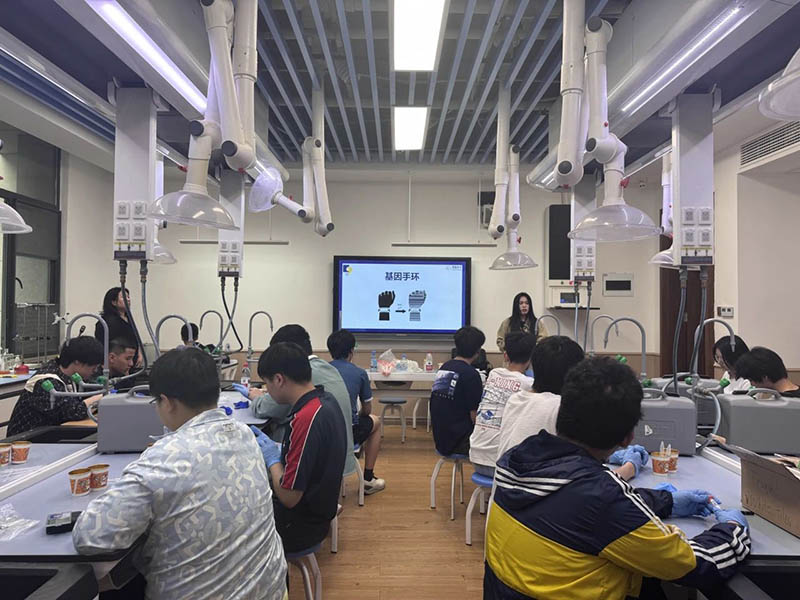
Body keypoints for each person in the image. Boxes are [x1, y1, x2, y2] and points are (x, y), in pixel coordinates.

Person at [484, 357, 750, 600]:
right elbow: (692, 565)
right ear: (628, 438)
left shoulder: (519, 458)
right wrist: (733, 529)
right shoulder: (602, 498)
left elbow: (572, 503)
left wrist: (666, 501)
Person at [72, 348, 287, 599]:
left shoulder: (163, 458)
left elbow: (91, 537)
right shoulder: (244, 434)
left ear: (168, 402)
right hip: (270, 590)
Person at [495, 336, 647, 481]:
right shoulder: (561, 408)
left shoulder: (516, 399)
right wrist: (630, 467)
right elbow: (589, 482)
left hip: (503, 491)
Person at [251, 342, 347, 553]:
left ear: (279, 379)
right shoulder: (325, 401)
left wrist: (272, 459)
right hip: (319, 514)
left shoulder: (305, 418)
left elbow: (289, 497)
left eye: (266, 383)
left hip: (299, 527)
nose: (267, 390)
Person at [237, 324, 356, 475]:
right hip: (341, 459)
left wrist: (256, 397)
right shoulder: (327, 368)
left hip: (319, 469)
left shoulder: (299, 381)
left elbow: (267, 408)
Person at [327, 329, 385, 494]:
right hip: (348, 432)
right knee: (376, 422)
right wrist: (357, 415)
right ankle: (368, 478)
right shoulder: (359, 373)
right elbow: (367, 410)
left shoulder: (322, 370)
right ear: (352, 351)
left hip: (324, 430)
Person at [7, 337, 104, 436]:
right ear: (77, 361)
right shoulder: (45, 381)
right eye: (93, 367)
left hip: (49, 435)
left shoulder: (68, 374)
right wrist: (102, 396)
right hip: (26, 440)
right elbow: (74, 412)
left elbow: (86, 397)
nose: (95, 371)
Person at [469, 332, 535, 476]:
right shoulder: (529, 384)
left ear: (505, 356)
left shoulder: (494, 374)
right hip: (500, 464)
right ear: (531, 358)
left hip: (475, 456)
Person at [430, 326, 485, 456]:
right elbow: (475, 417)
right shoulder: (471, 375)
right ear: (478, 351)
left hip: (441, 440)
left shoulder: (445, 367)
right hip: (461, 443)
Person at [734, 346, 800, 397]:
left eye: (751, 380)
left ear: (765, 377)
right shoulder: (781, 398)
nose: (752, 385)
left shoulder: (788, 404)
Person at [96, 287, 139, 359]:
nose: (128, 300)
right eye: (123, 297)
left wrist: (139, 352)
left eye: (128, 297)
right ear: (114, 302)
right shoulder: (107, 321)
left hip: (131, 358)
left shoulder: (128, 318)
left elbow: (133, 338)